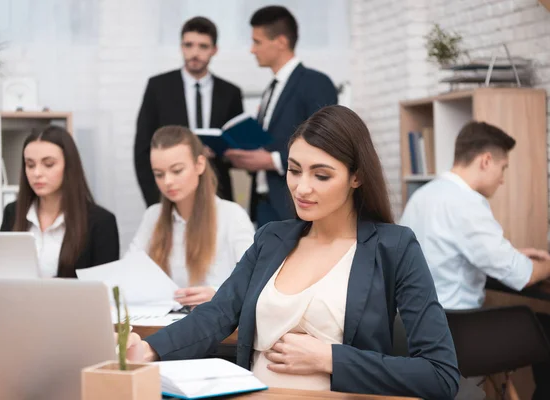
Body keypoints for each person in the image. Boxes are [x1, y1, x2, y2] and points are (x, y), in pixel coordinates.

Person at [124, 106, 460, 399]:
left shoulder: (394, 247)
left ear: (356, 177)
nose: (302, 187)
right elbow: (216, 314)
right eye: (294, 169)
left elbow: (440, 375)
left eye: (321, 175)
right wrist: (150, 349)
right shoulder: (272, 239)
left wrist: (330, 358)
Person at [400, 121, 550, 399]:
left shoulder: (422, 195)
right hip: (460, 336)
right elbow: (522, 275)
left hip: (421, 327)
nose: (503, 178)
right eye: (503, 168)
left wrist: (512, 253)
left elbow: (458, 252)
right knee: (546, 326)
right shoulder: (467, 203)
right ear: (486, 160)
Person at [225, 6, 338, 227]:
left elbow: (325, 143)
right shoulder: (271, 89)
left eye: (257, 42)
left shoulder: (315, 83)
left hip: (296, 202)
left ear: (281, 42)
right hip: (264, 203)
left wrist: (272, 160)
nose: (252, 50)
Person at [128, 125, 254, 307]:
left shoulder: (231, 215)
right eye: (159, 174)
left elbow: (255, 280)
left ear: (200, 165)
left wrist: (217, 293)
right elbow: (129, 273)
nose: (167, 182)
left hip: (216, 324)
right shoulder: (153, 216)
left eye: (177, 170)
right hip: (165, 323)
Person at [134, 16, 243, 207]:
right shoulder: (158, 87)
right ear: (181, 47)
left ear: (214, 50)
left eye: (203, 46)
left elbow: (237, 148)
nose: (195, 52)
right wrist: (155, 201)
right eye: (189, 45)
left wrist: (220, 151)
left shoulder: (230, 92)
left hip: (217, 191)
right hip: (170, 194)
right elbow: (143, 149)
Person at [0, 125, 119, 278]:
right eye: (30, 165)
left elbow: (103, 290)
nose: (37, 173)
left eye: (48, 164)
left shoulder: (101, 222)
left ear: (69, 166)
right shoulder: (12, 213)